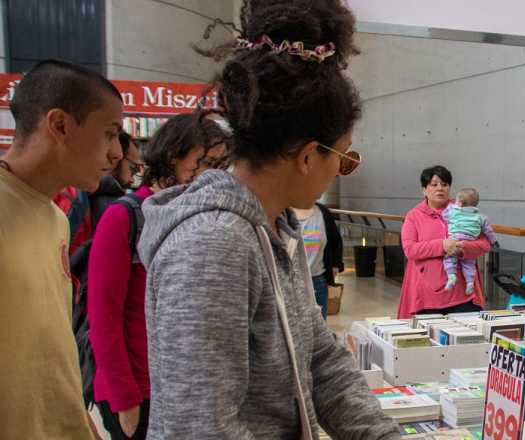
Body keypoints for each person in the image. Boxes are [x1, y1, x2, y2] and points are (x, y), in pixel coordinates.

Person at [138, 0, 399, 437]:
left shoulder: (276, 227)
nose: (340, 169)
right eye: (344, 157)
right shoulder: (212, 245)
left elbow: (318, 354)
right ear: (308, 156)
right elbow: (201, 426)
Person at [87, 111, 230, 440]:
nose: (216, 176)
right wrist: (126, 399)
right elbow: (104, 318)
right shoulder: (124, 218)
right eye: (207, 163)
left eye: (223, 166)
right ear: (171, 157)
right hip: (138, 391)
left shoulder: (203, 216)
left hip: (184, 387)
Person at [0, 59, 124, 439]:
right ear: (59, 125)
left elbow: (48, 339)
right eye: (109, 134)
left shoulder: (56, 218)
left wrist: (75, 414)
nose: (117, 153)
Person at [399, 165, 492, 318]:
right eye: (434, 184)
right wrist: (442, 245)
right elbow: (410, 249)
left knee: (468, 339)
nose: (440, 188)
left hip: (462, 293)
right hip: (426, 294)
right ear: (424, 190)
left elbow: (485, 244)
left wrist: (462, 248)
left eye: (444, 184)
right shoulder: (413, 216)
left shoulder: (465, 211)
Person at [293, 202, 345, 319]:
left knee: (320, 323)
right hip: (293, 280)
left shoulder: (322, 212)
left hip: (318, 279)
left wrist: (336, 264)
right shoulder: (285, 212)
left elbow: (335, 239)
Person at [441, 187, 498, 293]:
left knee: (449, 258)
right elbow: (489, 231)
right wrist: (494, 241)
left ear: (460, 202)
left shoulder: (453, 211)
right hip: (469, 241)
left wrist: (451, 207)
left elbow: (444, 216)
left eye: (456, 200)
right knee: (469, 263)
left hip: (455, 238)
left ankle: (451, 275)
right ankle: (470, 282)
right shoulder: (481, 217)